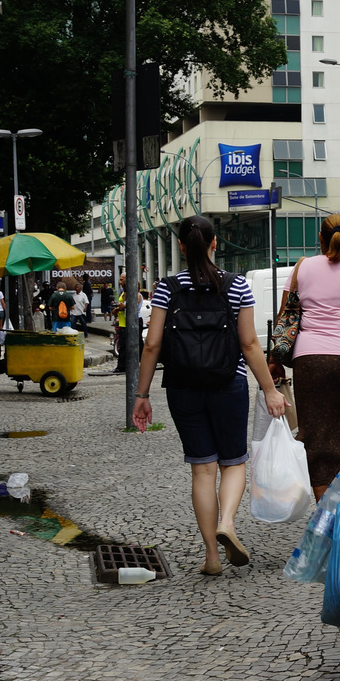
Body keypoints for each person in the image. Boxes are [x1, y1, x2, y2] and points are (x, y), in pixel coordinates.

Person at [133, 215, 287, 576]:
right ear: (215, 243)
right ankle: (228, 524)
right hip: (228, 385)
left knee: (202, 470)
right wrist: (270, 389)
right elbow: (249, 344)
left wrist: (142, 394)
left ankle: (212, 558)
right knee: (233, 462)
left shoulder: (167, 289)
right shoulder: (236, 287)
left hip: (183, 387)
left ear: (183, 247)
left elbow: (152, 344)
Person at [268, 214, 340, 500]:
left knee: (316, 438)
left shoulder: (302, 267)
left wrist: (274, 360)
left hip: (310, 361)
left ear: (320, 239)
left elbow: (285, 315)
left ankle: (326, 517)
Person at [113, 272, 129, 372]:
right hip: (122, 322)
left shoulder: (128, 292)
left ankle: (122, 366)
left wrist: (120, 308)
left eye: (122, 279)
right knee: (122, 345)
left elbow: (125, 306)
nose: (120, 282)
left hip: (126, 323)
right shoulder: (123, 292)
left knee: (124, 346)